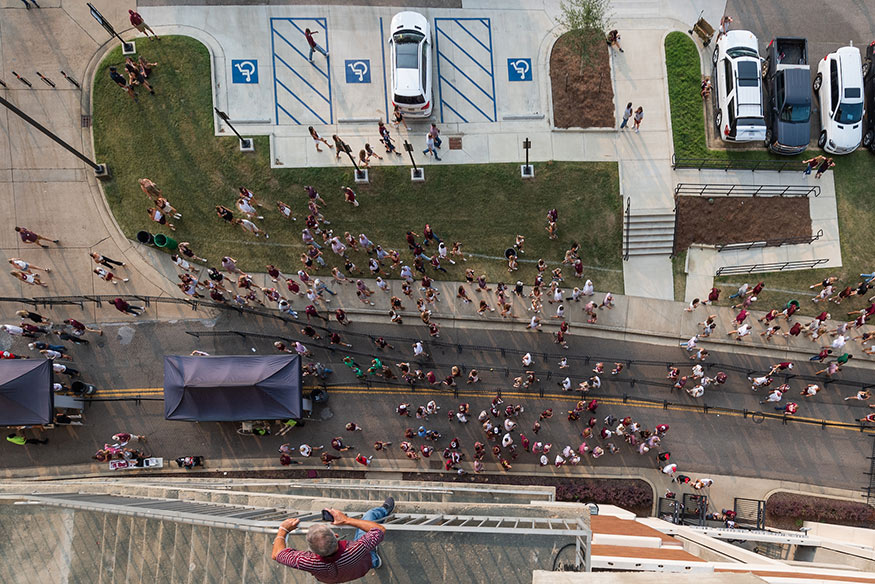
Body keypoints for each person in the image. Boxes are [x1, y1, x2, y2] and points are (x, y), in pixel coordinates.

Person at [273, 498, 394, 579]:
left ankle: (374, 561)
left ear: (311, 550)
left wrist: (283, 530)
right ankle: (384, 510)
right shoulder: (356, 548)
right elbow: (379, 530)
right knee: (370, 516)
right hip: (360, 564)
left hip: (347, 575)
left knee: (367, 547)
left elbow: (276, 554)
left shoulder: (305, 561)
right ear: (336, 536)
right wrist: (347, 520)